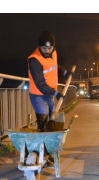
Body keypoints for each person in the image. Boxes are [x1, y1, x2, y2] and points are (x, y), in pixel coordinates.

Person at [27, 30, 64, 167]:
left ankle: (48, 153)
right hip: (39, 95)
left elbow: (52, 66)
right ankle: (40, 154)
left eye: (50, 47)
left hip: (49, 94)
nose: (47, 50)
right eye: (44, 48)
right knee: (43, 125)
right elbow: (40, 83)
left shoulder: (53, 52)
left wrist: (63, 70)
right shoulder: (34, 60)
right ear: (39, 47)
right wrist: (55, 93)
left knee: (51, 122)